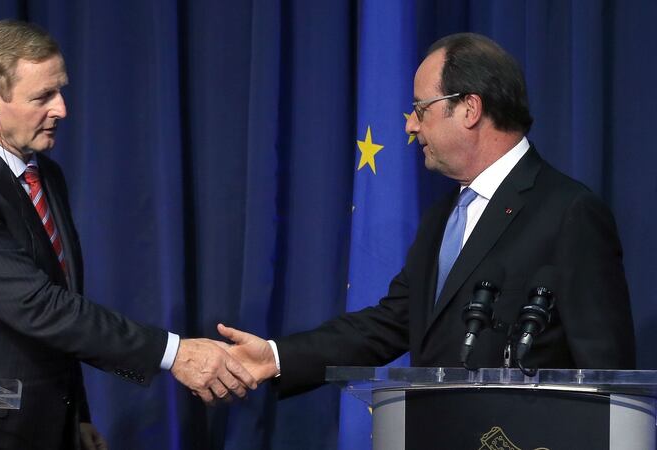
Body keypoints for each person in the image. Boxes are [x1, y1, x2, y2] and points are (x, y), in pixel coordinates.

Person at [0, 20, 255, 450]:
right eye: (43, 96)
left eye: (60, 90)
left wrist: (75, 414)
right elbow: (40, 307)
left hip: (42, 421)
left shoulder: (44, 174)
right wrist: (176, 353)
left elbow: (63, 304)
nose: (62, 109)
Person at [218, 32, 636, 398]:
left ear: (470, 108)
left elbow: (607, 376)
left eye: (421, 109)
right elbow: (389, 324)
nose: (410, 127)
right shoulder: (442, 215)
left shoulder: (568, 212)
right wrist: (275, 357)